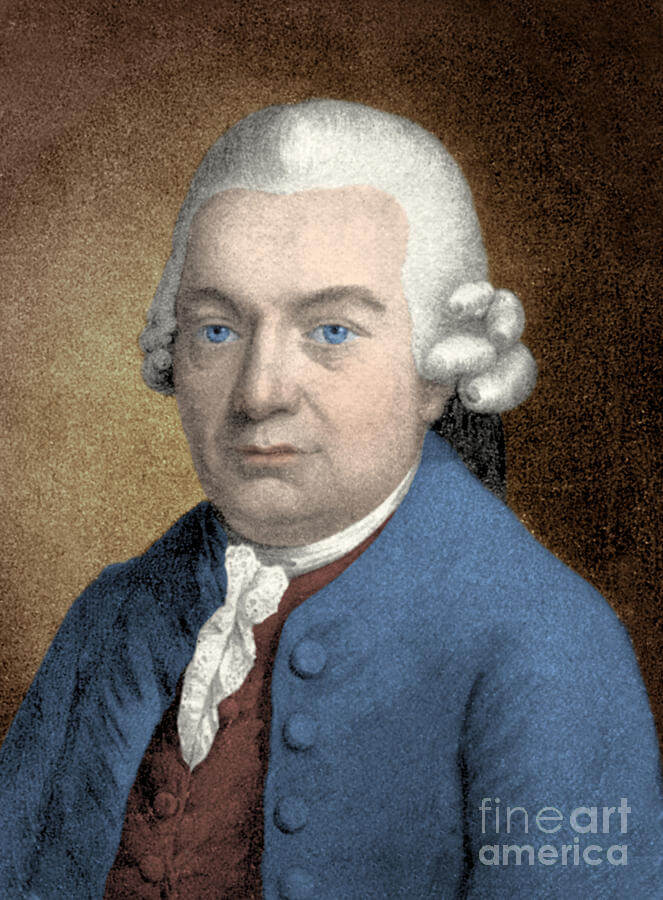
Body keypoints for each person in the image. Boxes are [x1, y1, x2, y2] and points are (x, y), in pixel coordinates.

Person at [1, 99, 661, 898]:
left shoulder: (546, 647)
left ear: (436, 370)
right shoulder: (111, 618)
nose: (259, 393)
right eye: (217, 330)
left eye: (331, 332)